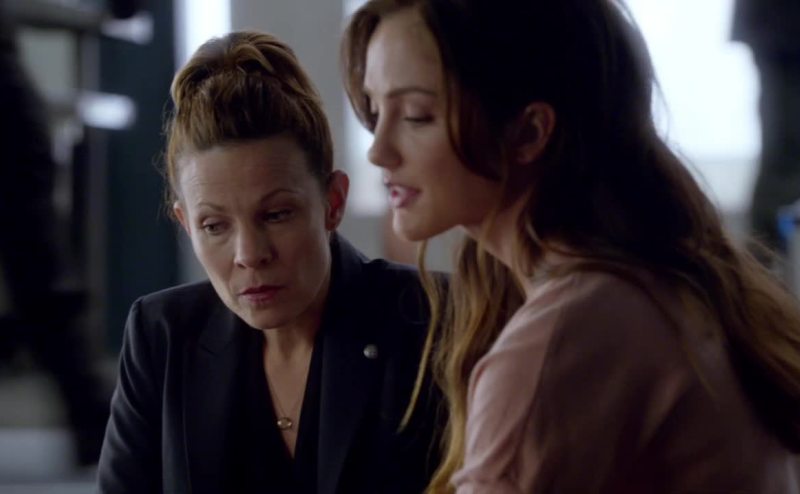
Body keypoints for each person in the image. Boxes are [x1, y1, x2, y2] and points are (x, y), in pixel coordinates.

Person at [342, 1, 800, 492]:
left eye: (416, 116)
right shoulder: (639, 286)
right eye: (375, 110)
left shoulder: (569, 335)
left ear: (529, 132)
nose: (378, 150)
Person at [97, 30, 441, 494]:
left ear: (333, 203)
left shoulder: (431, 320)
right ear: (186, 224)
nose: (249, 254)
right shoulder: (163, 336)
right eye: (214, 226)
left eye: (277, 214)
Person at [732, 0, 800, 257]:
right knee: (785, 158)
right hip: (783, 30)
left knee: (785, 157)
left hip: (779, 28)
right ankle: (763, 263)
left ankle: (763, 262)